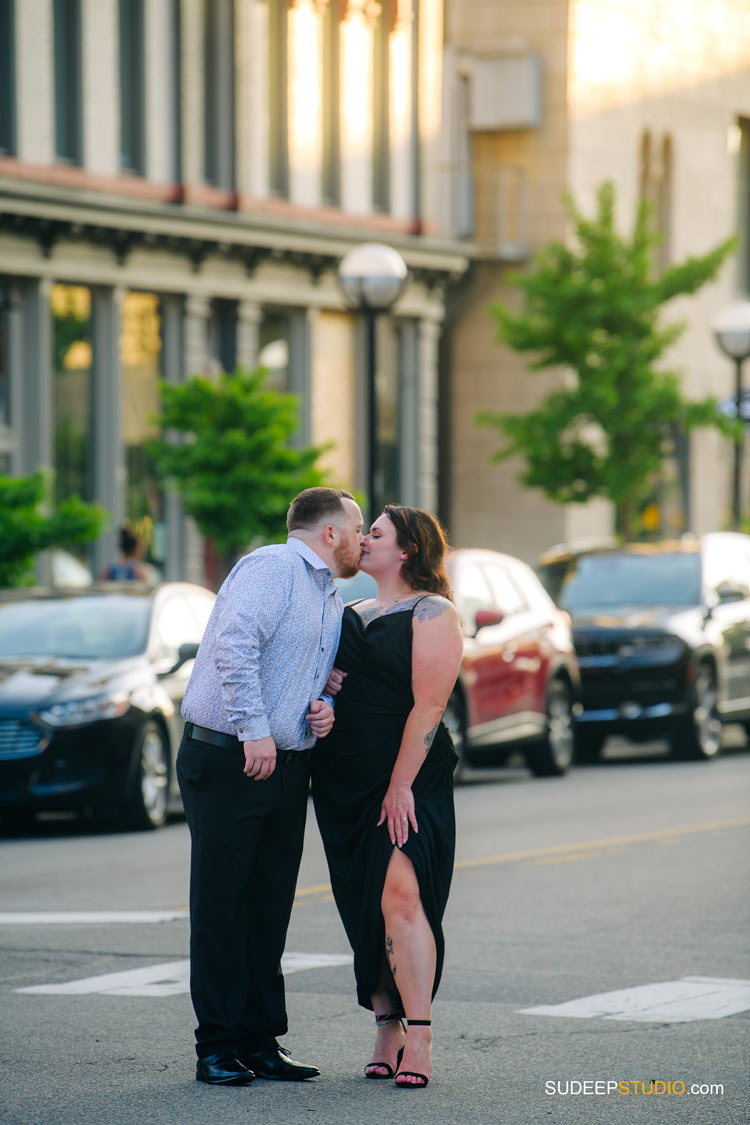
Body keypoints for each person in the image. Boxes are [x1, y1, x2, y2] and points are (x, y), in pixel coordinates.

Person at [177, 487, 364, 1087]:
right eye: (359, 529)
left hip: (288, 762)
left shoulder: (329, 593)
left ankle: (259, 1040)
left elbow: (310, 675)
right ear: (329, 533)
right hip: (229, 756)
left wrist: (324, 705)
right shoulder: (273, 567)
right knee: (222, 902)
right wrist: (255, 730)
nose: (363, 541)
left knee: (267, 906)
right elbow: (234, 647)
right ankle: (216, 1046)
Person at [312, 504, 463, 1090]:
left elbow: (428, 705)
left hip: (407, 774)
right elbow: (326, 677)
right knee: (360, 897)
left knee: (402, 895)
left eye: (375, 533)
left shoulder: (434, 612)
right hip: (343, 774)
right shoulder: (351, 611)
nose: (363, 540)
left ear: (407, 551)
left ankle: (419, 1033)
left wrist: (401, 785)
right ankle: (385, 1024)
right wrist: (322, 683)